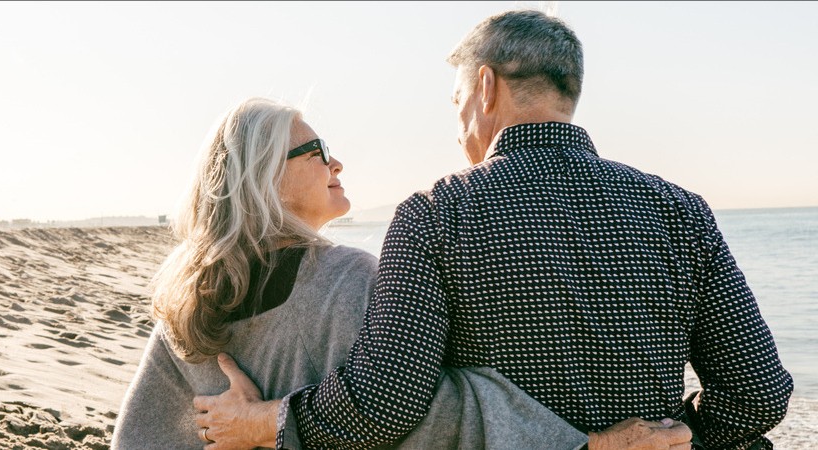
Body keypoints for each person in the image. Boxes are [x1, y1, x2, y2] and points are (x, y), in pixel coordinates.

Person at [195, 9, 792, 450]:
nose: (459, 128)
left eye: (457, 102)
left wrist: (264, 422)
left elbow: (386, 401)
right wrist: (681, 435)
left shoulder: (437, 212)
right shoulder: (679, 209)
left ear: (484, 88)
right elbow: (760, 391)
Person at [112, 98, 689, 450]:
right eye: (315, 151)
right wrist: (584, 446)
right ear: (263, 177)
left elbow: (140, 437)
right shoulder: (349, 280)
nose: (336, 162)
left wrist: (246, 427)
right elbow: (433, 414)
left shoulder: (184, 301)